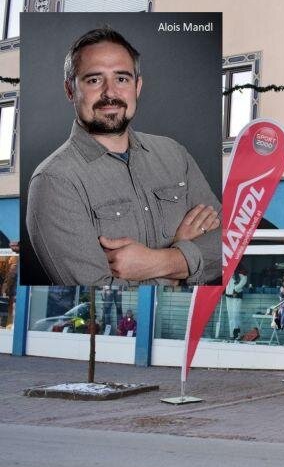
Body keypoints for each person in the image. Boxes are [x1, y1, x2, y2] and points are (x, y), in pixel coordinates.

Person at [26, 26, 221, 286]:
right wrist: (182, 266)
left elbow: (226, 245)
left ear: (137, 86)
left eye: (121, 79)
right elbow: (99, 293)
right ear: (70, 90)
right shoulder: (54, 181)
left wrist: (161, 261)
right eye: (94, 80)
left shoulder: (174, 155)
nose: (110, 93)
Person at [225, 268, 247, 339]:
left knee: (235, 315)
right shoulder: (226, 270)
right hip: (228, 295)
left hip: (236, 295)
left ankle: (238, 334)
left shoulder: (240, 269)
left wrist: (236, 288)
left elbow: (244, 279)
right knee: (230, 316)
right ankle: (232, 334)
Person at [0, 241, 18, 329]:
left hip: (11, 291)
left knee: (9, 309)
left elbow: (11, 275)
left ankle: (6, 326)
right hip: (10, 291)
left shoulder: (14, 258)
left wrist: (4, 291)